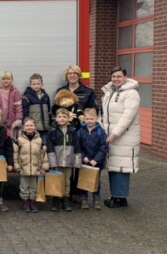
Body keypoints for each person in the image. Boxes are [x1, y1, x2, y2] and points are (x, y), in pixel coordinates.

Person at [101, 66, 140, 208]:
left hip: (123, 137)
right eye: (113, 77)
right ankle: (116, 196)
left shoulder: (131, 94)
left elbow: (127, 116)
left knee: (121, 168)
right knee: (113, 166)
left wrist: (114, 134)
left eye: (119, 76)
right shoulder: (110, 92)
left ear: (125, 77)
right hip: (111, 136)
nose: (116, 79)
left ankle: (120, 198)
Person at [57, 64, 97, 204]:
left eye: (75, 73)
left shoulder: (87, 91)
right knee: (66, 163)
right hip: (65, 133)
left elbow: (94, 111)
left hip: (82, 133)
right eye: (69, 73)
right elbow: (55, 111)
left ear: (79, 75)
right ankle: (65, 193)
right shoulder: (61, 91)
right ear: (66, 76)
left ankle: (79, 193)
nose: (72, 75)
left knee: (79, 162)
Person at [47, 106, 83, 212]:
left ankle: (65, 199)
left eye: (64, 116)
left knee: (67, 181)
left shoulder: (72, 131)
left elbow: (77, 147)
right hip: (57, 162)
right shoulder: (52, 131)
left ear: (68, 118)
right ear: (56, 118)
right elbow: (50, 147)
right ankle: (56, 199)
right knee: (56, 180)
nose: (62, 118)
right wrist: (52, 162)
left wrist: (77, 162)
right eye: (59, 117)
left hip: (68, 161)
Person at [14, 117, 49, 213]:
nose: (29, 127)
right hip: (23, 168)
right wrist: (17, 166)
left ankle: (32, 201)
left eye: (31, 125)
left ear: (35, 127)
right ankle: (25, 201)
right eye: (27, 125)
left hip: (36, 168)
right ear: (23, 128)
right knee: (24, 186)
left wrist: (44, 167)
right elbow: (15, 154)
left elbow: (43, 154)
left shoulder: (39, 140)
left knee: (34, 186)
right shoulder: (19, 140)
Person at [77, 108, 109, 210]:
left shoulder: (101, 131)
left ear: (96, 118)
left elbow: (104, 147)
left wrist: (97, 159)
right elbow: (78, 146)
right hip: (85, 161)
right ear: (84, 119)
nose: (89, 121)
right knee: (83, 180)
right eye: (87, 119)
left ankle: (96, 200)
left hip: (96, 162)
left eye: (92, 118)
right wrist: (83, 157)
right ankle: (84, 199)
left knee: (96, 181)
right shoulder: (80, 131)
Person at [21, 73, 52, 142]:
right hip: (33, 129)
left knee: (44, 146)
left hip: (45, 128)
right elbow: (25, 113)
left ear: (42, 84)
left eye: (38, 84)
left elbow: (49, 111)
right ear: (30, 85)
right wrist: (27, 125)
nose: (36, 86)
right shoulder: (26, 96)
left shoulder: (46, 96)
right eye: (34, 84)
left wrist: (50, 124)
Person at [0, 71, 23, 135]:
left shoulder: (15, 91)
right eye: (3, 79)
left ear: (11, 80)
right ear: (1, 80)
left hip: (12, 120)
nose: (5, 81)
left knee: (11, 138)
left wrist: (18, 118)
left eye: (8, 79)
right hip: (0, 119)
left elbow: (19, 106)